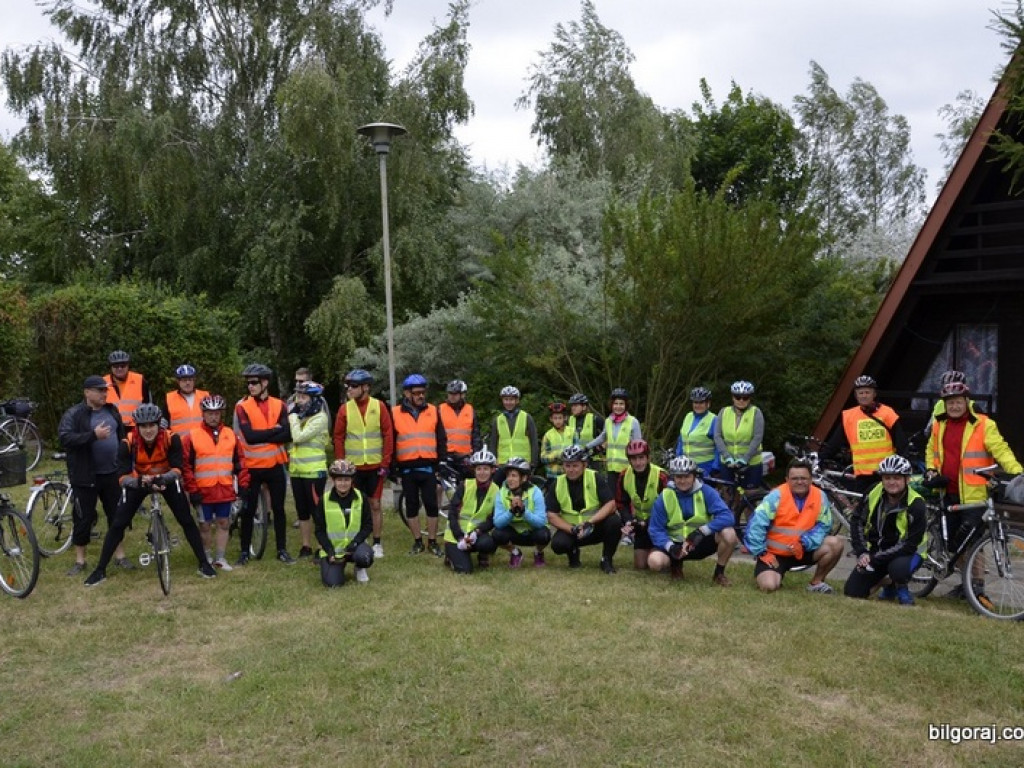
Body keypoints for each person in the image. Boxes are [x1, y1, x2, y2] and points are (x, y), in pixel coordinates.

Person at [83, 404, 216, 586]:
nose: (148, 430)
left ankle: (203, 563)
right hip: (139, 481)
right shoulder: (128, 443)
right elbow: (121, 476)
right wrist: (137, 482)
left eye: (152, 425)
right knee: (118, 524)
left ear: (159, 425)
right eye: (143, 426)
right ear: (137, 427)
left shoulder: (171, 438)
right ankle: (100, 570)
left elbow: (178, 469)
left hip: (166, 479)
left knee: (186, 519)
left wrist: (163, 478)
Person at [927, 380, 1022, 599]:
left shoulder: (983, 424)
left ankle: (977, 587)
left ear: (966, 401)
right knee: (955, 544)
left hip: (974, 493)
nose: (954, 406)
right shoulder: (939, 424)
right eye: (950, 403)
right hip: (947, 491)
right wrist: (931, 469)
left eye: (958, 402)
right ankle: (965, 584)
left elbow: (1001, 450)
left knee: (974, 541)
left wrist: (1018, 473)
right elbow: (931, 450)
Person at [58, 375, 132, 576]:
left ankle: (120, 556)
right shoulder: (74, 414)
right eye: (99, 390)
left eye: (105, 390)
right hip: (86, 476)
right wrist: (93, 436)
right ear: (87, 392)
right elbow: (65, 438)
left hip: (112, 473)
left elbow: (122, 438)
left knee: (117, 516)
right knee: (83, 518)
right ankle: (80, 560)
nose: (104, 393)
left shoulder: (112, 410)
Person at [744, 458, 844, 593]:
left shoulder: (820, 496)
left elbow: (824, 526)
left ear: (811, 479)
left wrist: (804, 543)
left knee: (836, 543)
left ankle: (816, 583)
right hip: (775, 554)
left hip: (804, 550)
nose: (800, 482)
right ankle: (772, 575)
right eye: (795, 478)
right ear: (787, 479)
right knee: (768, 587)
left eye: (804, 478)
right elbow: (755, 526)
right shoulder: (775, 496)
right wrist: (761, 552)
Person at [843, 455, 927, 606]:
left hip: (909, 553)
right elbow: (857, 521)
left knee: (898, 570)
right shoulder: (873, 491)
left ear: (907, 479)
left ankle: (899, 585)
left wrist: (874, 558)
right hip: (877, 551)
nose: (891, 482)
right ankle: (887, 582)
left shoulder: (916, 504)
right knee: (852, 592)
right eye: (887, 478)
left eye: (897, 478)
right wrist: (862, 552)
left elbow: (909, 545)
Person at [234, 363, 294, 565]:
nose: (250, 386)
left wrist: (268, 434)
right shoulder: (242, 407)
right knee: (248, 510)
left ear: (265, 383)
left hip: (275, 465)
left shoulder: (280, 405)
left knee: (279, 509)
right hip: (252, 467)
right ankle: (244, 552)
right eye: (248, 383)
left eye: (254, 382)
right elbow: (249, 437)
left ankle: (282, 550)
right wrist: (274, 431)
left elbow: (288, 434)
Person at [182, 394, 249, 571]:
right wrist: (192, 489)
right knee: (204, 525)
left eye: (217, 413)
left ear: (221, 414)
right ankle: (206, 557)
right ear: (203, 414)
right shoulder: (192, 437)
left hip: (225, 489)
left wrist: (243, 484)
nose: (213, 417)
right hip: (203, 490)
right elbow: (186, 466)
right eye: (209, 413)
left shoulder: (231, 435)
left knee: (224, 523)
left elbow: (240, 462)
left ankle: (220, 558)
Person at [333, 368, 394, 559]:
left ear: (365, 387)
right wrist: (341, 463)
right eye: (348, 386)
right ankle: (358, 540)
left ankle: (377, 542)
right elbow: (338, 437)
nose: (349, 389)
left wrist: (386, 462)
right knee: (356, 504)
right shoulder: (344, 409)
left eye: (353, 386)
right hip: (353, 468)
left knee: (375, 504)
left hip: (375, 466)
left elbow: (388, 434)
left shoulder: (379, 406)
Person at [647, 455, 737, 584]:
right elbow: (655, 529)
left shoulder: (707, 491)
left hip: (699, 541)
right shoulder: (664, 496)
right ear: (673, 477)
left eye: (687, 476)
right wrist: (670, 547)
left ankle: (719, 573)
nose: (683, 481)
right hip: (674, 543)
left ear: (694, 476)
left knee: (729, 534)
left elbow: (727, 516)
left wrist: (702, 531)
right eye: (679, 477)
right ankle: (675, 565)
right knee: (654, 562)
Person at [820, 375, 907, 493]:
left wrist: (902, 467)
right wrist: (821, 457)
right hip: (863, 474)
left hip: (886, 472)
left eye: (867, 392)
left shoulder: (887, 413)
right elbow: (835, 442)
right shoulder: (849, 416)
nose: (864, 396)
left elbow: (901, 442)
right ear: (856, 395)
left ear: (874, 394)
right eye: (860, 393)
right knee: (863, 503)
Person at [392, 373, 447, 556]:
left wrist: (441, 463)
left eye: (423, 392)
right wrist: (393, 468)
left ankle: (432, 541)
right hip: (407, 467)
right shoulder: (395, 413)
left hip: (428, 466)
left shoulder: (433, 410)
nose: (421, 396)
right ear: (407, 394)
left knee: (432, 505)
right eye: (416, 393)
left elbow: (441, 439)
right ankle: (417, 542)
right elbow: (391, 441)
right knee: (412, 505)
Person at [545, 445, 621, 573]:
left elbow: (611, 504)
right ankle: (573, 553)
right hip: (572, 530)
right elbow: (551, 515)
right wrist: (571, 529)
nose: (571, 470)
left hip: (593, 527)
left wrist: (590, 522)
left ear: (584, 465)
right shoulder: (557, 483)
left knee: (615, 522)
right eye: (567, 466)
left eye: (575, 466)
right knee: (558, 545)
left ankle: (606, 559)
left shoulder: (595, 477)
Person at [313, 460, 374, 587]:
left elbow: (368, 525)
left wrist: (356, 542)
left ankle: (359, 567)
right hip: (333, 550)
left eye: (346, 480)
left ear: (352, 480)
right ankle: (337, 568)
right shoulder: (324, 500)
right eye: (339, 480)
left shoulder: (361, 497)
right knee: (333, 584)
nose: (343, 483)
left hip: (355, 546)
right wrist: (329, 550)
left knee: (364, 557)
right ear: (333, 480)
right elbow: (319, 530)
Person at [714, 380, 766, 522]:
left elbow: (757, 437)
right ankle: (731, 525)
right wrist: (727, 456)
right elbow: (717, 436)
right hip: (728, 462)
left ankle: (752, 527)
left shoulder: (756, 413)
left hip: (751, 463)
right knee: (729, 496)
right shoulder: (724, 412)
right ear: (733, 397)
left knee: (750, 498)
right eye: (738, 397)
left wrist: (745, 458)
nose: (741, 400)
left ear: (750, 398)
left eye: (745, 397)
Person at [288, 381, 330, 559]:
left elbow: (298, 436)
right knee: (302, 511)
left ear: (314, 399)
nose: (299, 400)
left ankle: (322, 546)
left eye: (303, 397)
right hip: (296, 470)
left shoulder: (320, 418)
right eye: (298, 396)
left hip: (314, 471)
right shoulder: (300, 416)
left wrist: (292, 417)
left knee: (317, 511)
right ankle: (306, 546)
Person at [444, 449, 501, 573]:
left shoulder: (496, 490)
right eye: (479, 469)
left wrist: (477, 532)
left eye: (486, 469)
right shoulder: (464, 486)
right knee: (465, 571)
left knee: (488, 543)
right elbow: (452, 514)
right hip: (456, 534)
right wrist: (460, 537)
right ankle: (450, 555)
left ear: (492, 470)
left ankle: (482, 554)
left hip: (475, 534)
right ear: (474, 470)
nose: (482, 472)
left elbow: (492, 519)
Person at [616, 440, 668, 570]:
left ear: (648, 458)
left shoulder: (661, 476)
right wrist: (628, 521)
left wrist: (648, 522)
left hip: (661, 526)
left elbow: (669, 507)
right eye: (634, 459)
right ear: (629, 460)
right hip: (641, 527)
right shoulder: (624, 475)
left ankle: (672, 560)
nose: (638, 463)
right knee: (640, 566)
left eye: (641, 458)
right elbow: (621, 503)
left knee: (655, 564)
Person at [492, 455, 551, 568]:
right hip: (513, 531)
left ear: (524, 477)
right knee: (497, 535)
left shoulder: (535, 492)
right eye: (508, 475)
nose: (510, 479)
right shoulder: (502, 493)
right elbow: (497, 523)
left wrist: (524, 511)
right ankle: (515, 553)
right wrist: (511, 511)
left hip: (532, 530)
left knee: (544, 535)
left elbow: (541, 522)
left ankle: (538, 552)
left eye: (514, 476)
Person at [594, 388, 642, 485]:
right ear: (612, 405)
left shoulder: (633, 421)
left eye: (621, 404)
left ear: (626, 405)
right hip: (611, 468)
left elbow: (639, 446)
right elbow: (602, 437)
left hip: (627, 469)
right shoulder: (608, 421)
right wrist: (587, 447)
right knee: (612, 494)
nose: (618, 407)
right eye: (616, 404)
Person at [490, 386, 538, 481]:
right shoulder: (498, 420)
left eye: (511, 399)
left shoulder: (526, 417)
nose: (508, 402)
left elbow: (534, 441)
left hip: (522, 463)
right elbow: (493, 443)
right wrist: (493, 462)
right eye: (506, 399)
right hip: (503, 464)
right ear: (502, 401)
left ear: (517, 401)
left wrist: (533, 462)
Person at [438, 379, 481, 475]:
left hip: (465, 456)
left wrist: (476, 453)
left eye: (455, 394)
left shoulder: (470, 409)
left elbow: (475, 434)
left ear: (462, 395)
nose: (452, 396)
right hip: (447, 456)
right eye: (450, 393)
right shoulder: (440, 409)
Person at [675, 386, 719, 477]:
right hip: (686, 466)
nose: (698, 405)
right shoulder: (688, 416)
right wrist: (677, 458)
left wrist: (715, 467)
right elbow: (681, 440)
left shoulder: (714, 419)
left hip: (706, 467)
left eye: (701, 402)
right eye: (695, 402)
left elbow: (719, 447)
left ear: (708, 403)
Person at [104, 349, 152, 427]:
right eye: (115, 366)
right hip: (111, 428)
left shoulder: (139, 380)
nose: (119, 368)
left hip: (135, 427)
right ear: (111, 367)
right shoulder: (103, 382)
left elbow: (148, 404)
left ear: (128, 366)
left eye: (123, 365)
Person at [163, 364, 210, 437]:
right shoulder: (169, 398)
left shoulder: (205, 396)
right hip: (179, 442)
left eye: (190, 380)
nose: (188, 383)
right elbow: (165, 426)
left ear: (194, 381)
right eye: (184, 380)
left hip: (201, 441)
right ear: (178, 381)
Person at [540, 401, 572, 481]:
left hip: (570, 474)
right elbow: (543, 458)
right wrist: (556, 456)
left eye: (560, 418)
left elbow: (579, 451)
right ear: (551, 419)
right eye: (555, 418)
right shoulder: (548, 435)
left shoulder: (572, 432)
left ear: (565, 418)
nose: (558, 421)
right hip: (553, 475)